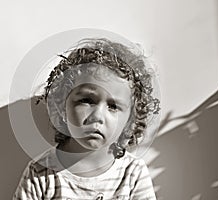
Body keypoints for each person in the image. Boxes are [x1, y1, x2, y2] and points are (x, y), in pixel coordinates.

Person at [13, 38, 160, 200]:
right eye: (87, 100)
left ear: (130, 122)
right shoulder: (40, 173)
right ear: (62, 106)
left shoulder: (133, 174)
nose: (97, 116)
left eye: (113, 106)